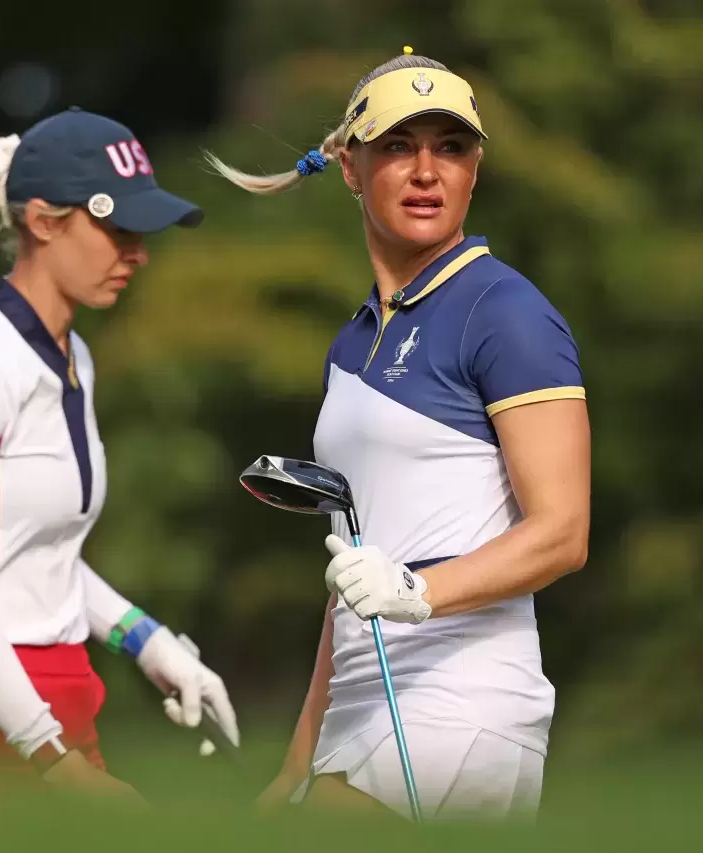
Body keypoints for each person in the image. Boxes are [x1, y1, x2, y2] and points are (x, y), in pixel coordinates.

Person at [207, 48, 590, 820]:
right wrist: (295, 764)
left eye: (451, 147)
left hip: (464, 700)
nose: (427, 170)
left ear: (475, 169)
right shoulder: (352, 345)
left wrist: (418, 590)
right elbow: (352, 570)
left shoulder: (503, 312)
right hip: (363, 705)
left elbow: (563, 532)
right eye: (398, 146)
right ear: (350, 167)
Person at [0, 107, 239, 799]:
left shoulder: (77, 358)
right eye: (118, 229)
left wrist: (150, 641)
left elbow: (40, 556)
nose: (138, 252)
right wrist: (58, 764)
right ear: (43, 221)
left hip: (57, 712)